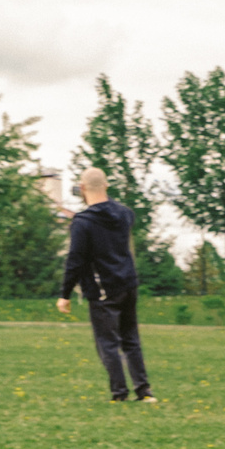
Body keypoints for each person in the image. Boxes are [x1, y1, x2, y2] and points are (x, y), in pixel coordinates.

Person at [55, 169, 154, 402]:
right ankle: (144, 391)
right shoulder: (125, 214)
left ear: (83, 188)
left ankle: (119, 393)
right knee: (131, 339)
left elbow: (75, 259)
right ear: (106, 185)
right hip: (128, 284)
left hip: (103, 289)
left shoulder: (83, 222)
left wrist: (65, 294)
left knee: (108, 343)